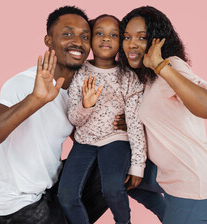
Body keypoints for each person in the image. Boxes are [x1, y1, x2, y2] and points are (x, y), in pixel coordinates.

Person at [0, 6, 111, 224]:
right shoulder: (25, 83)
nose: (77, 42)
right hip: (18, 205)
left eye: (85, 36)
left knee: (114, 161)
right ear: (49, 40)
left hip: (50, 190)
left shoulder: (77, 90)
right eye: (67, 34)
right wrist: (35, 100)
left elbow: (85, 142)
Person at [118, 6, 207, 224]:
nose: (132, 44)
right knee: (121, 175)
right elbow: (162, 119)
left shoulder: (171, 66)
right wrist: (133, 124)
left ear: (157, 42)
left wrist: (161, 65)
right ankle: (171, 215)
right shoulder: (149, 79)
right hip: (173, 176)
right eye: (127, 37)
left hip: (195, 186)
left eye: (141, 37)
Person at [57, 14, 146, 224]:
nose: (106, 39)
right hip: (84, 142)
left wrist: (137, 166)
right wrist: (86, 105)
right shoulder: (80, 72)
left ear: (121, 42)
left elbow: (134, 124)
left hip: (116, 140)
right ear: (90, 39)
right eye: (99, 33)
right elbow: (74, 120)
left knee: (113, 189)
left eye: (113, 35)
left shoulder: (128, 77)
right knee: (66, 195)